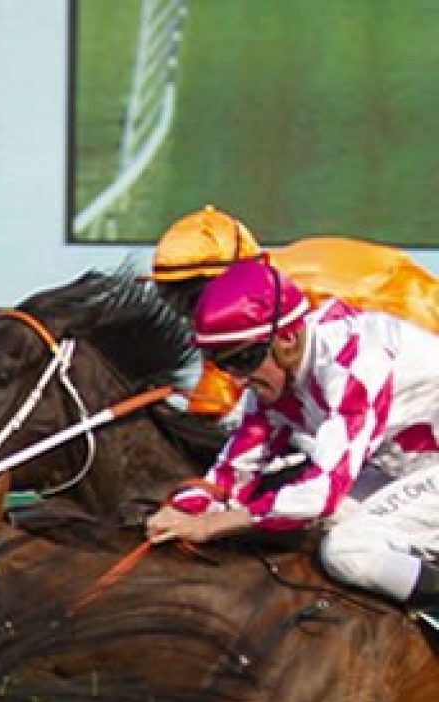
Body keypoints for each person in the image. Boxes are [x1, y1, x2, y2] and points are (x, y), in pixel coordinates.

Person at [145, 257, 439, 612]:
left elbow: (320, 495)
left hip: (422, 469)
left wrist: (210, 525)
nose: (237, 382)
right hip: (415, 469)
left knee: (348, 549)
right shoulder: (274, 380)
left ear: (287, 338)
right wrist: (177, 513)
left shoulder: (354, 366)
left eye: (243, 361)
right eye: (225, 366)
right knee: (307, 521)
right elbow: (231, 476)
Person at [147, 204, 439, 418]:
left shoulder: (307, 295)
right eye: (171, 299)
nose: (188, 313)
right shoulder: (238, 309)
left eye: (191, 297)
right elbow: (214, 399)